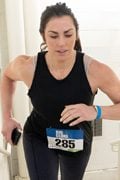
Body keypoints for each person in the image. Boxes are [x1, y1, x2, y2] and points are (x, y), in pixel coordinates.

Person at [1, 2, 120, 180]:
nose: (62, 43)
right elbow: (7, 76)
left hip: (76, 139)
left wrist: (95, 111)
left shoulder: (96, 70)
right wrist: (7, 117)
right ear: (43, 36)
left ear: (77, 34)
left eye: (68, 34)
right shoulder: (27, 66)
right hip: (38, 136)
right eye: (54, 36)